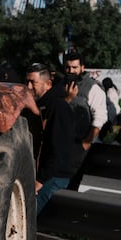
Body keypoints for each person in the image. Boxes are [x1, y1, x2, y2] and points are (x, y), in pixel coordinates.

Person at [26, 63, 83, 214]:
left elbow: (60, 149)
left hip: (54, 177)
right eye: (27, 81)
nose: (29, 87)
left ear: (48, 84)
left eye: (33, 82)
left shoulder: (57, 107)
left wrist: (40, 181)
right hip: (46, 175)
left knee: (26, 216)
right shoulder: (43, 106)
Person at [63, 52, 107, 150]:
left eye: (75, 67)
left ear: (82, 68)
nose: (71, 71)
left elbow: (100, 118)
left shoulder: (93, 87)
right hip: (63, 142)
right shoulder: (60, 85)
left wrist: (86, 142)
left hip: (81, 143)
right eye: (68, 67)